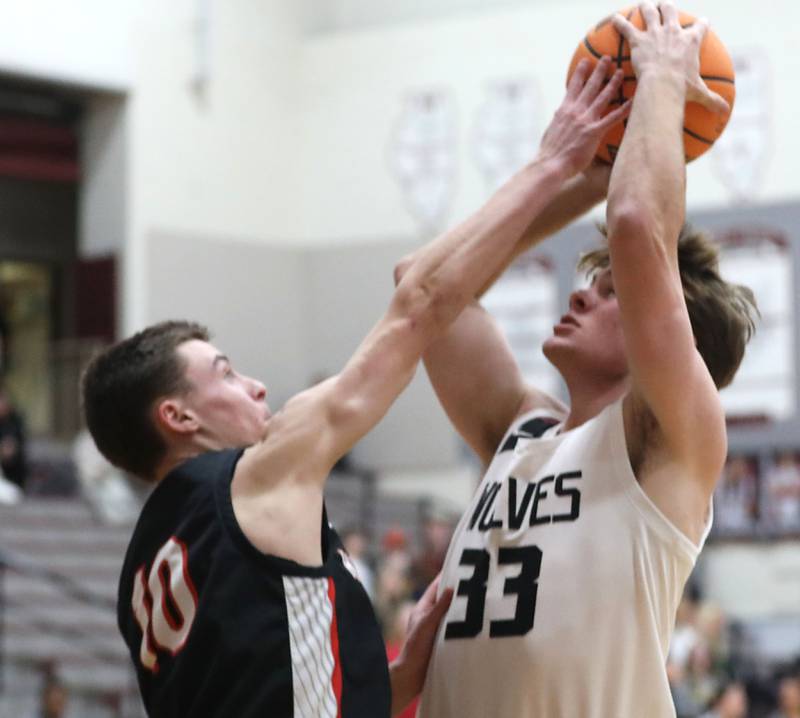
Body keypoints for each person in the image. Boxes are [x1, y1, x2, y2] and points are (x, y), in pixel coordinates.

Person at [81, 54, 630, 717]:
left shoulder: (143, 573)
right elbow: (421, 300)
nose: (255, 386)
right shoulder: (254, 477)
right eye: (224, 373)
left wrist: (393, 675)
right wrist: (554, 168)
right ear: (178, 417)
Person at [397, 4, 758, 717]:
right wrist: (577, 176)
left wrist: (658, 79)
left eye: (610, 291)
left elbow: (637, 225)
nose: (581, 298)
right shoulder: (522, 430)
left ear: (663, 333)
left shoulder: (668, 441)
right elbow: (426, 286)